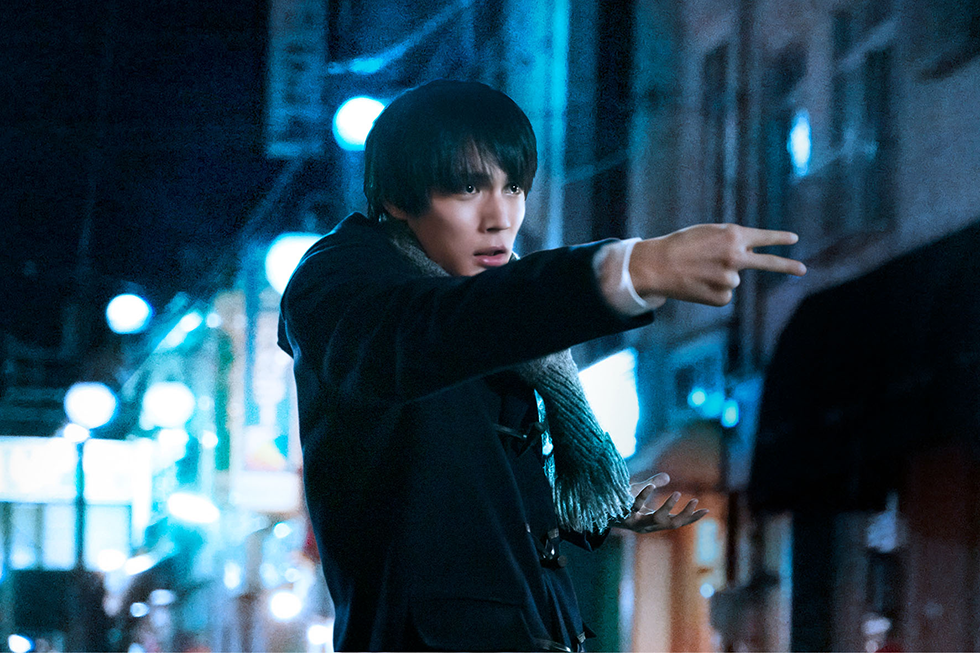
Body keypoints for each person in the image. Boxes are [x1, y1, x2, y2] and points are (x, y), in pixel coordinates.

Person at [277, 79, 806, 652]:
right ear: (399, 199)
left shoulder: (486, 310)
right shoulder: (342, 282)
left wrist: (591, 507)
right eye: (468, 189)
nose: (499, 217)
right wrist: (627, 269)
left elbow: (465, 485)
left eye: (513, 187)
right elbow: (423, 336)